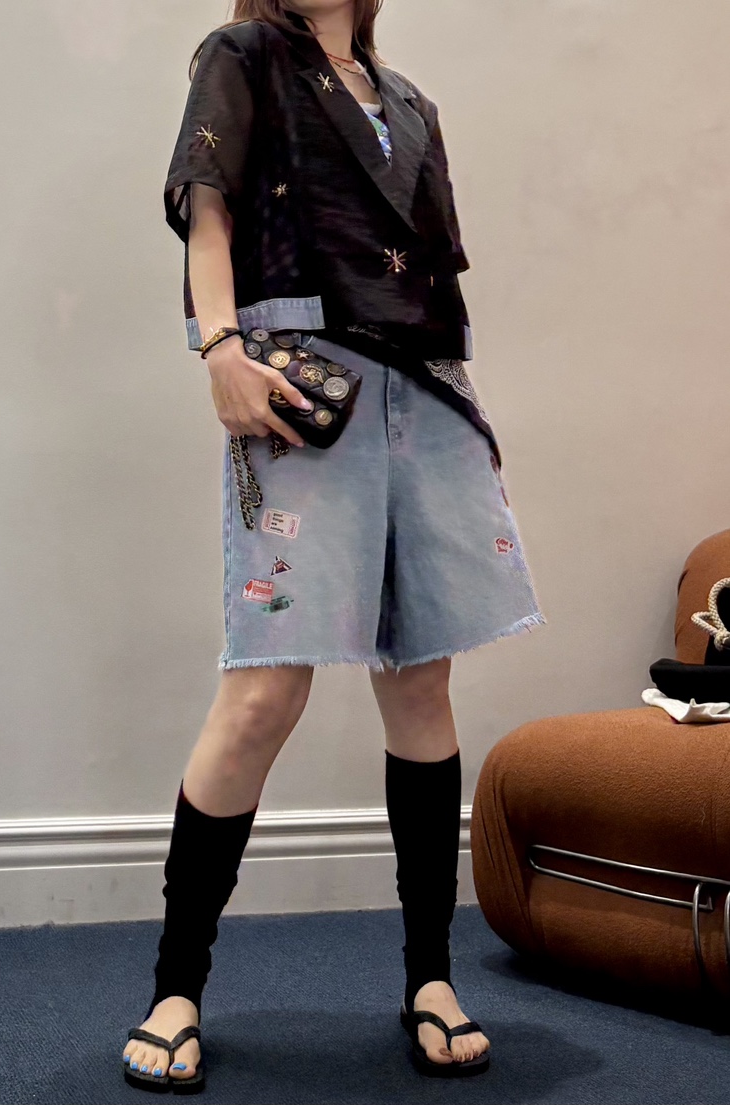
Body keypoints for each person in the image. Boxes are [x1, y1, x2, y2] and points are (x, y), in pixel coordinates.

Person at [122, 0, 546, 1092]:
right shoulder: (243, 56)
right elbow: (206, 201)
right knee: (264, 689)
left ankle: (429, 978)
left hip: (428, 391)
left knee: (422, 683)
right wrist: (219, 344)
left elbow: (432, 267)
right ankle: (174, 988)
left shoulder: (410, 102)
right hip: (303, 380)